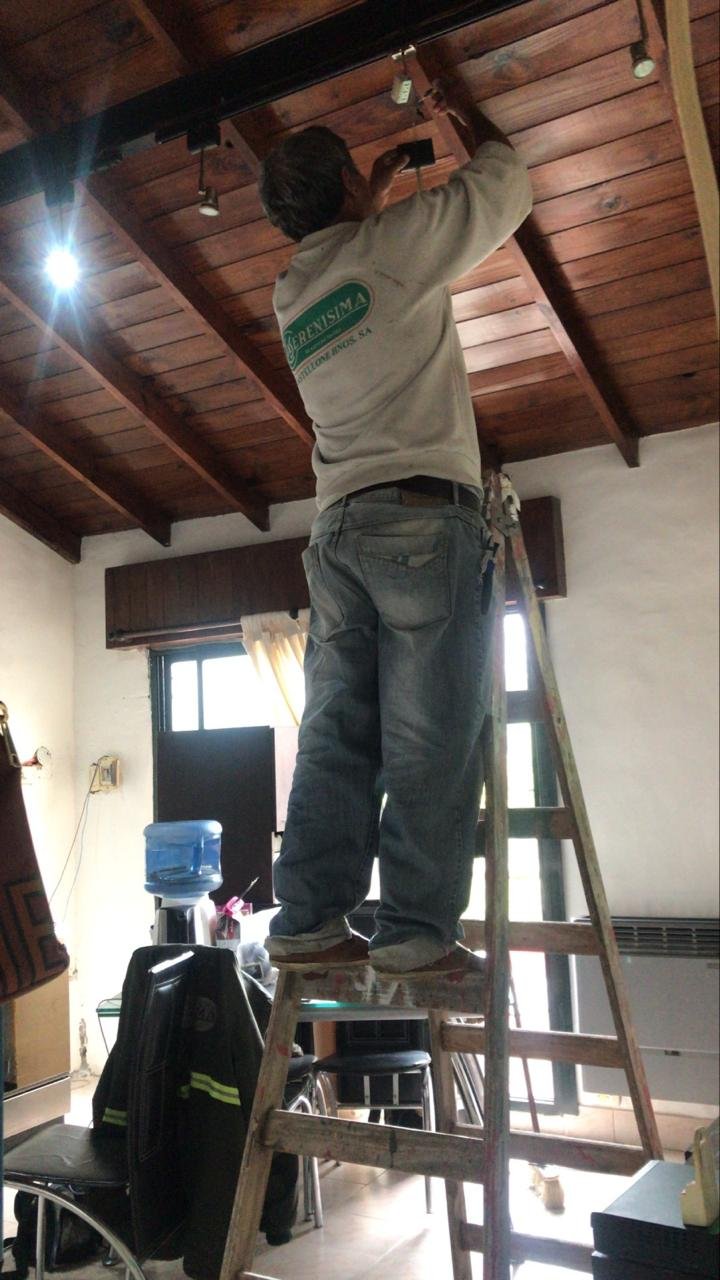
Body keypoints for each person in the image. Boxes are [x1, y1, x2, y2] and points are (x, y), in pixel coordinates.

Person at [258, 86, 532, 977]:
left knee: (336, 733)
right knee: (431, 737)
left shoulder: (292, 292)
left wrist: (360, 202)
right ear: (347, 181)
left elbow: (352, 262)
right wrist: (464, 113)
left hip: (337, 530)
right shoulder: (391, 247)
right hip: (418, 522)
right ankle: (415, 932)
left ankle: (307, 921)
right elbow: (506, 185)